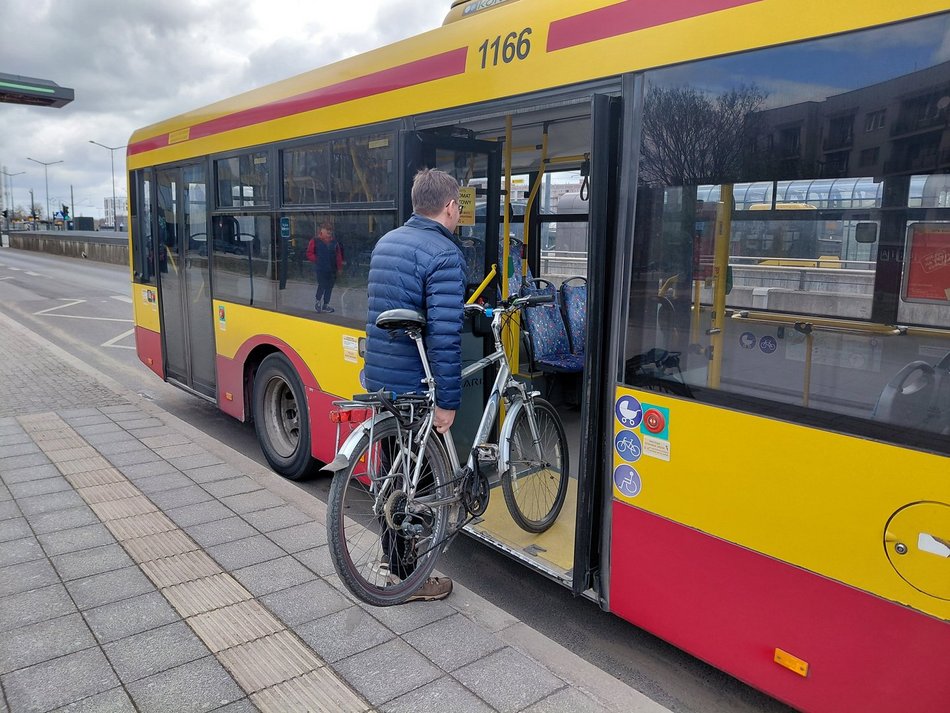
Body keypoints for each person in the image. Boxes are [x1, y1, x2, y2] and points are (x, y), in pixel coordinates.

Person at [363, 168, 465, 602]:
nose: (459, 213)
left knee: (392, 474)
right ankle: (412, 579)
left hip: (381, 379)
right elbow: (444, 336)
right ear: (449, 207)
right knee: (420, 488)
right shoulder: (443, 254)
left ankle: (392, 563)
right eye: (459, 206)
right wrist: (448, 401)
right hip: (416, 385)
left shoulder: (388, 242)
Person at [307, 222, 342, 312]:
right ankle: (318, 301)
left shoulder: (334, 242)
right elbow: (309, 253)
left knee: (329, 287)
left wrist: (339, 268)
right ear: (321, 230)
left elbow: (338, 256)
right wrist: (318, 260)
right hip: (321, 269)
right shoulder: (315, 241)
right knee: (322, 285)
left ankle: (326, 305)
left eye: (330, 230)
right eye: (327, 229)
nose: (329, 231)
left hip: (332, 269)